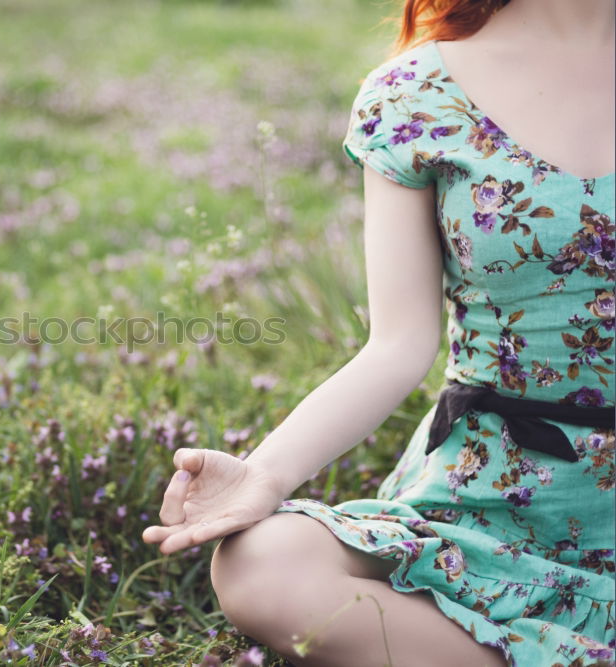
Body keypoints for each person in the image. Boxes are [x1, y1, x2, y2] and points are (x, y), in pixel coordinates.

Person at [141, 0, 616, 664]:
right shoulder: (417, 93)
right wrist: (267, 473)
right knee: (262, 564)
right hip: (491, 497)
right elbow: (398, 345)